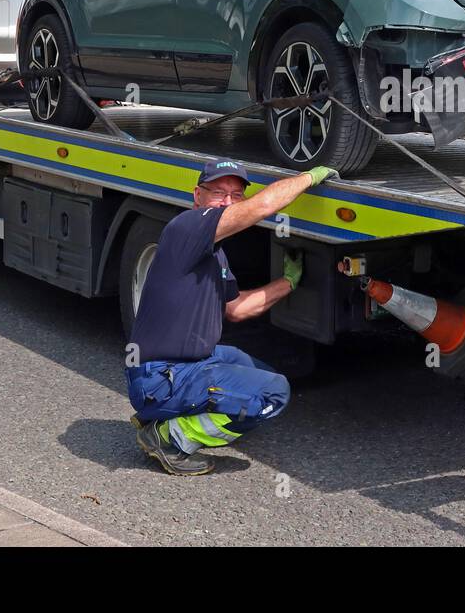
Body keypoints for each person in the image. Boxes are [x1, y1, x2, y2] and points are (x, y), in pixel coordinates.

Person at [125, 159, 336, 475]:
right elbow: (262, 206)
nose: (227, 201)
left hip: (188, 365)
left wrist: (288, 282)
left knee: (260, 373)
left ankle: (166, 413)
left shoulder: (215, 253)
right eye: (218, 192)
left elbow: (237, 308)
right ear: (197, 195)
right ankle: (170, 437)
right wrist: (310, 176)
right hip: (160, 376)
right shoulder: (186, 227)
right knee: (273, 393)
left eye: (236, 195)